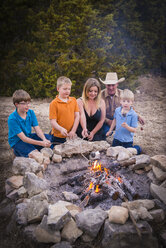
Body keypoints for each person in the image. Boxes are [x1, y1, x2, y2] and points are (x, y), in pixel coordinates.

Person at [8, 89, 52, 157]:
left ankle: (30, 148)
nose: (27, 105)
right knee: (35, 154)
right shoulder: (12, 119)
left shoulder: (30, 112)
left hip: (28, 136)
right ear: (16, 104)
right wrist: (41, 143)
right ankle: (17, 151)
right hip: (18, 141)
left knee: (50, 139)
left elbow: (37, 129)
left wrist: (44, 139)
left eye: (28, 103)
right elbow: (24, 139)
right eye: (24, 103)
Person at [106, 89, 142, 154]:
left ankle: (137, 148)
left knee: (127, 154)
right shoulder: (117, 110)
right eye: (124, 101)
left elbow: (134, 130)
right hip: (117, 139)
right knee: (114, 153)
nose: (125, 103)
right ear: (120, 101)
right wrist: (110, 130)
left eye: (128, 101)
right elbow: (115, 120)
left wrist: (127, 127)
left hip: (127, 141)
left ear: (132, 102)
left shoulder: (133, 114)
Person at [49, 76, 79, 144]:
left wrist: (73, 131)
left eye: (69, 89)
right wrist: (61, 129)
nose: (67, 91)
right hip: (58, 135)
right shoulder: (54, 103)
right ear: (58, 89)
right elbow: (53, 121)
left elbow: (77, 116)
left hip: (71, 134)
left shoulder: (73, 100)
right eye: (64, 89)